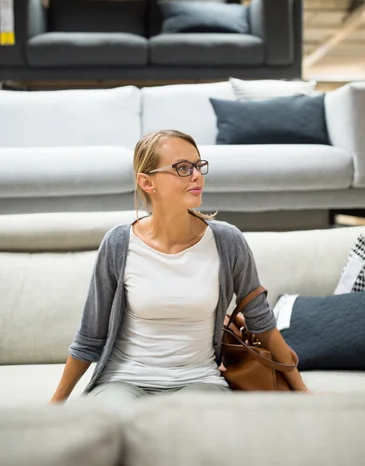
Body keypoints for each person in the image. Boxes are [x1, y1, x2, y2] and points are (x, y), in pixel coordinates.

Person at [49, 129, 308, 412]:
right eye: (182, 168)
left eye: (198, 166)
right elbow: (90, 336)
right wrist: (54, 407)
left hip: (200, 381)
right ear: (147, 182)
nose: (197, 176)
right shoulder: (118, 244)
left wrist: (303, 390)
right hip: (123, 381)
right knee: (111, 431)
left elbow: (262, 323)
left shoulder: (227, 241)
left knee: (197, 436)